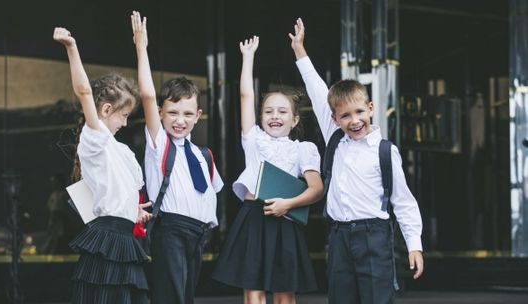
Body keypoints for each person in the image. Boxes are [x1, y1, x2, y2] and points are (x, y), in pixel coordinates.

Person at [289, 18, 424, 304]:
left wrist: (415, 245)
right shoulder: (335, 138)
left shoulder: (385, 151)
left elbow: (404, 201)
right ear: (335, 119)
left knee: (377, 298)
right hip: (339, 237)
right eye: (345, 116)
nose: (354, 120)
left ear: (371, 109)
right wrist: (300, 50)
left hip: (373, 235)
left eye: (359, 112)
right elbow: (316, 88)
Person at [211, 36, 323, 304]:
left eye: (282, 112)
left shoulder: (303, 149)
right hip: (253, 218)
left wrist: (288, 204)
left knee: (285, 294)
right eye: (268, 111)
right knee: (253, 292)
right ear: (260, 117)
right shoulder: (254, 140)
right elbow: (245, 95)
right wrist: (248, 58)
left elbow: (317, 189)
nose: (275, 116)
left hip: (285, 221)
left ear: (294, 119)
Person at [131, 11, 224, 304]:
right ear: (160, 113)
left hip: (198, 234)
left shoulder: (203, 155)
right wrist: (141, 47)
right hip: (170, 230)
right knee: (170, 297)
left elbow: (211, 194)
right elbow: (147, 94)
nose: (179, 120)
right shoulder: (160, 143)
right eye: (172, 112)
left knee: (185, 296)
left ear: (198, 116)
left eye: (187, 114)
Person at [53, 27, 152, 304]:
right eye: (123, 115)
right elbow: (84, 91)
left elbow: (117, 191)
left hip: (124, 236)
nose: (124, 122)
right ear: (107, 110)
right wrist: (72, 47)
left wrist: (132, 209)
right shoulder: (95, 139)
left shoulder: (122, 151)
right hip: (109, 236)